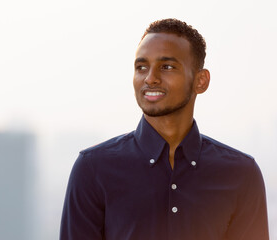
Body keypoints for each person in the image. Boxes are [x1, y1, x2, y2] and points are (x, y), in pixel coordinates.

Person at [60, 18, 269, 240]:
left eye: (167, 67)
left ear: (201, 81)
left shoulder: (241, 173)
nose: (150, 78)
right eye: (141, 67)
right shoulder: (93, 169)